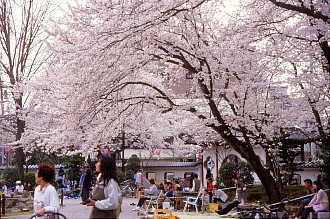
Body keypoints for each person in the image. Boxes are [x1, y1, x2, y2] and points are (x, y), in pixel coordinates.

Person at [86, 153, 122, 219]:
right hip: (97, 213)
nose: (96, 164)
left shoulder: (110, 182)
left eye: (99, 162)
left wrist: (96, 203)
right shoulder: (100, 178)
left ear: (105, 165)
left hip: (106, 215)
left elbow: (113, 202)